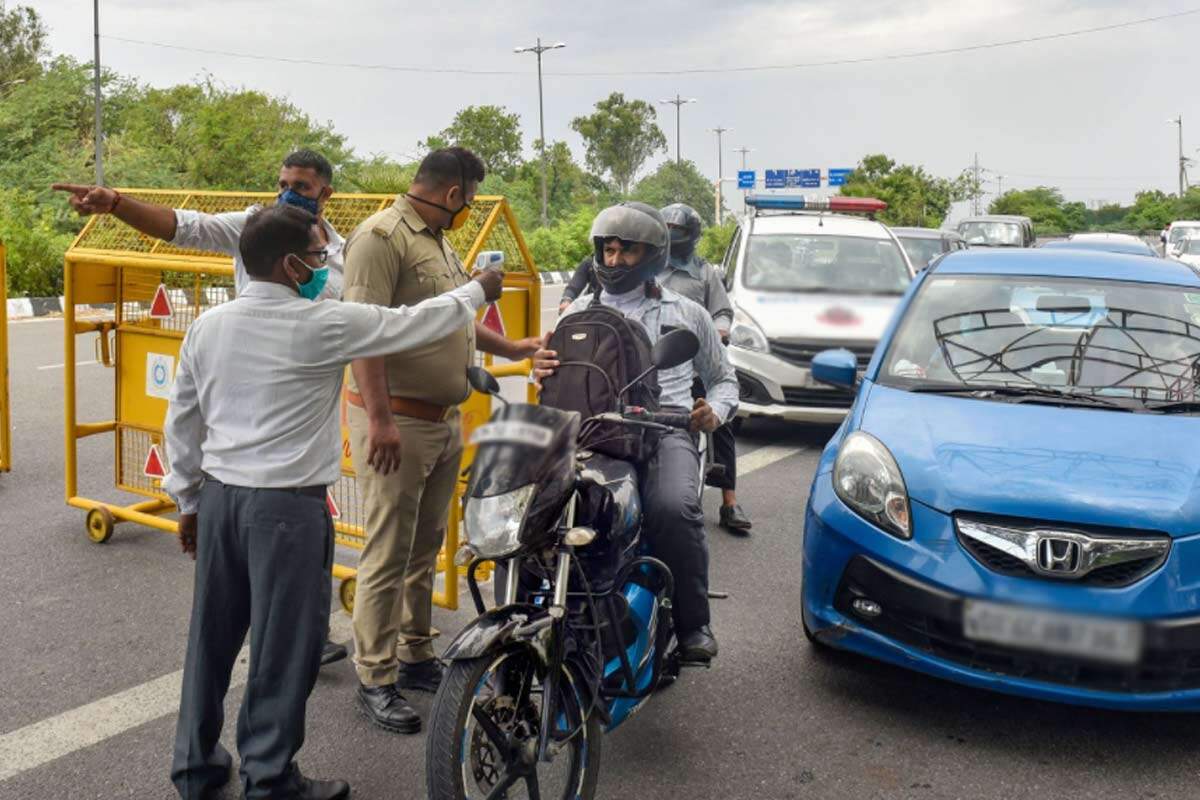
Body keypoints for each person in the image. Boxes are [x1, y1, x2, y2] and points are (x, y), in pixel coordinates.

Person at [162, 204, 503, 800]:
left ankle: (195, 766)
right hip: (287, 512)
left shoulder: (208, 326)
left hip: (219, 501)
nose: (326, 267)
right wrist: (478, 289)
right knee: (283, 646)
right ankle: (269, 777)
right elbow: (415, 322)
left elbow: (182, 420)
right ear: (291, 264)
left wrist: (187, 501)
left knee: (210, 639)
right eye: (320, 257)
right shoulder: (320, 324)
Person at [54, 149, 351, 666]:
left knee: (306, 513)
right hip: (254, 394)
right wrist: (116, 203)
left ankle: (306, 629)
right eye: (282, 182)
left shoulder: (344, 252)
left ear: (326, 194)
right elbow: (183, 226)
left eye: (301, 187)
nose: (287, 193)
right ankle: (256, 635)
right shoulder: (253, 228)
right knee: (258, 513)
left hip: (309, 405)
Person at [342, 146, 541, 733]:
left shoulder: (438, 239)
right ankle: (374, 676)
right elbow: (364, 333)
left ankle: (414, 652)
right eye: (470, 199)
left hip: (440, 419)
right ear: (454, 194)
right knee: (387, 550)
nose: (469, 209)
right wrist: (377, 419)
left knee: (425, 544)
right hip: (396, 422)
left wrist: (514, 349)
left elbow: (451, 317)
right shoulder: (381, 238)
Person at [534, 202, 737, 662]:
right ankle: (530, 611)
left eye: (626, 252)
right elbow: (554, 376)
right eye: (608, 250)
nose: (614, 261)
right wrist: (539, 368)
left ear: (653, 255)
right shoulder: (577, 314)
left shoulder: (687, 313)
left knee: (673, 507)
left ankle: (693, 624)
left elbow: (724, 379)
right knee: (536, 509)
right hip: (595, 427)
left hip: (665, 424)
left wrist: (713, 413)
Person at [659, 203, 751, 533]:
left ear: (692, 236)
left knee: (721, 421)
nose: (671, 236)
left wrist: (719, 329)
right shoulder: (650, 270)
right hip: (657, 369)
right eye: (666, 229)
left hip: (696, 361)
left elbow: (722, 311)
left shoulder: (704, 272)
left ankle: (729, 502)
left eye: (677, 231)